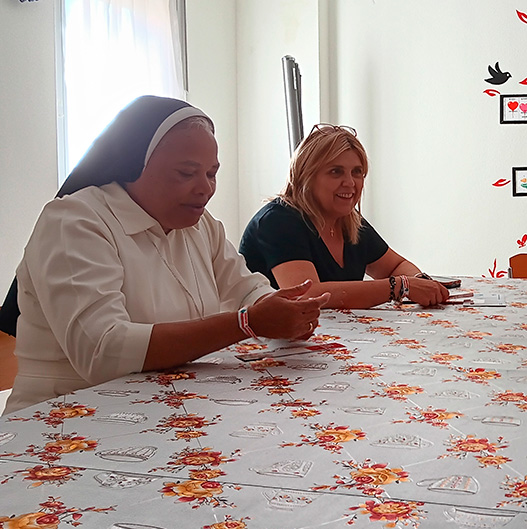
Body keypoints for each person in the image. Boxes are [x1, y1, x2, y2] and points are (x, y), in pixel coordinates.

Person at [6, 96, 328, 415]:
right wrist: (246, 323)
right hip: (64, 417)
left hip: (160, 411)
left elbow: (246, 289)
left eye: (212, 174)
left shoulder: (201, 228)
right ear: (134, 165)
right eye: (187, 173)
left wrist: (288, 311)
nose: (205, 188)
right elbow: (103, 352)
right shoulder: (75, 223)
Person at [239, 124, 449, 309]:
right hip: (266, 347)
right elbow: (307, 295)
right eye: (335, 172)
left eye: (357, 172)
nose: (350, 182)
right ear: (307, 176)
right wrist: (399, 287)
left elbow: (395, 266)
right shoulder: (276, 221)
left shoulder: (349, 221)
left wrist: (420, 282)